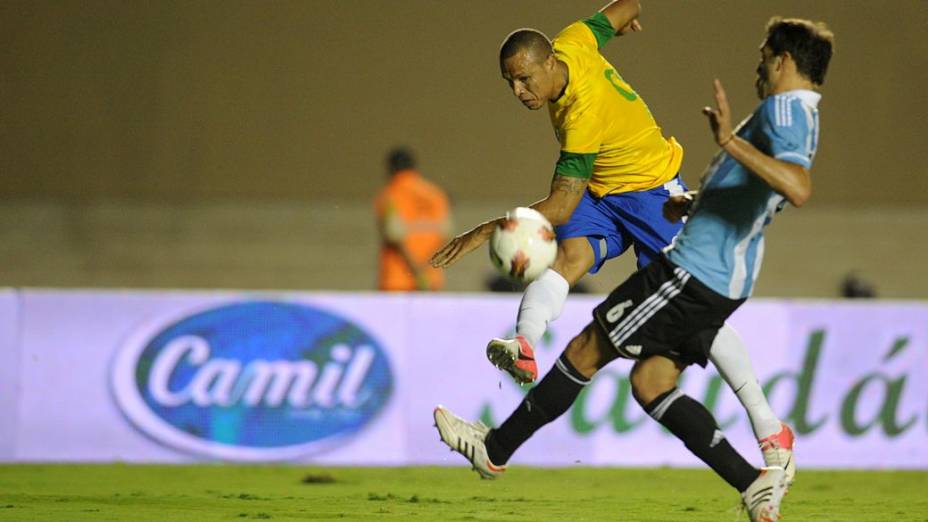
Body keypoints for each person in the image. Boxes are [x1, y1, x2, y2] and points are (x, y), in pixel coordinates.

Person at [434, 15, 833, 522]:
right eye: (509, 82)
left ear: (785, 61)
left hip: (669, 229)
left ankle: (495, 448)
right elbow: (616, 11)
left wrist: (482, 232)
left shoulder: (786, 113)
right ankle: (755, 482)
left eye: (524, 79)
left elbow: (796, 187)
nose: (518, 91)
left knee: (589, 347)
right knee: (647, 379)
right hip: (644, 214)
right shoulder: (574, 42)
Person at [374, 147, 451, 291]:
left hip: (397, 279)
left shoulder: (390, 194)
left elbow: (394, 235)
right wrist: (425, 267)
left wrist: (415, 269)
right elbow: (444, 233)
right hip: (431, 277)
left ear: (390, 168)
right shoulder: (435, 194)